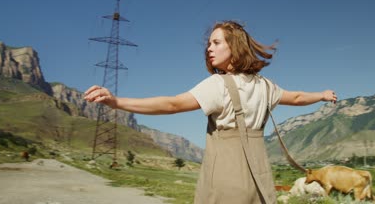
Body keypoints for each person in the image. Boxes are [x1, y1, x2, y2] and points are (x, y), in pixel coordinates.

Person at [84, 20, 337, 204]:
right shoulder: (265, 86)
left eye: (216, 43)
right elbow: (297, 97)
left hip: (224, 182)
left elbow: (172, 104)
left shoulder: (219, 85)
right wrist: (323, 95)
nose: (209, 48)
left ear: (234, 47)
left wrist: (117, 102)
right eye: (208, 44)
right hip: (259, 181)